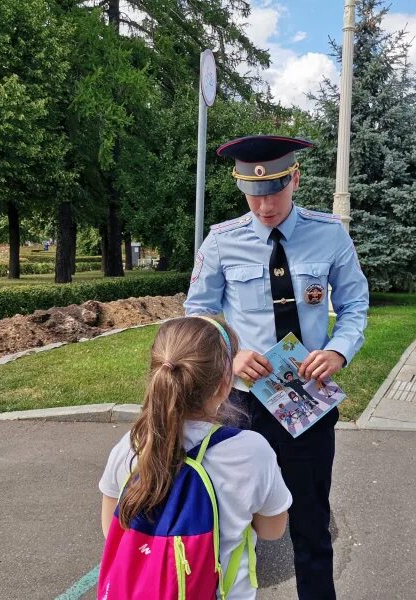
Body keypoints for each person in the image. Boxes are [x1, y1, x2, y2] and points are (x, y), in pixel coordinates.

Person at [185, 135, 369, 600]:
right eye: (253, 194)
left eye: (274, 192)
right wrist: (231, 352)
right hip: (240, 406)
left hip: (307, 401)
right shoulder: (222, 241)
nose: (264, 205)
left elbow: (355, 305)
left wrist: (339, 351)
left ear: (296, 180)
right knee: (225, 519)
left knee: (310, 521)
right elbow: (197, 313)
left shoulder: (329, 234)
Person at [99, 317, 292, 599]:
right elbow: (273, 530)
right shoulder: (253, 452)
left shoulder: (131, 447)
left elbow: (113, 530)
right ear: (225, 383)